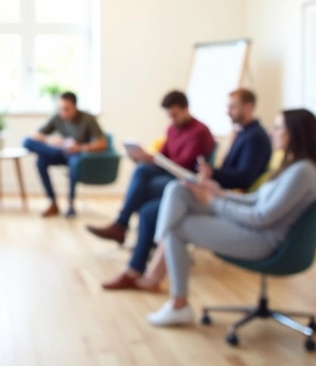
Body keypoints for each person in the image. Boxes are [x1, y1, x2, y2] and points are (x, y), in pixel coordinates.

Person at [125, 109, 316, 327]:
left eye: (278, 127)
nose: (273, 132)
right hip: (255, 230)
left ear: (295, 133)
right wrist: (219, 193)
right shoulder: (294, 167)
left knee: (178, 227)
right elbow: (256, 201)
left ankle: (178, 303)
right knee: (179, 190)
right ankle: (162, 243)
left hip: (264, 241)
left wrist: (212, 201)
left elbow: (261, 217)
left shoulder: (302, 172)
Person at [98, 89, 273, 289]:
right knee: (144, 182)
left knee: (149, 199)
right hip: (211, 188)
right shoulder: (242, 133)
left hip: (222, 195)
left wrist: (212, 174)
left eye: (232, 107)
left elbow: (245, 178)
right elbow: (164, 155)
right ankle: (137, 263)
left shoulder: (255, 138)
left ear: (248, 107)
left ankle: (137, 262)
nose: (227, 112)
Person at [86, 90, 215, 242]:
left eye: (175, 115)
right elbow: (163, 155)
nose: (172, 120)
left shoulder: (200, 131)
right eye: (169, 116)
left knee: (144, 188)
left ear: (185, 109)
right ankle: (125, 227)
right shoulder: (172, 129)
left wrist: (155, 159)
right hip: (168, 173)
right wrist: (144, 157)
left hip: (186, 181)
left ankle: (125, 228)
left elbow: (184, 164)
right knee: (141, 169)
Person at [22, 91, 107, 218]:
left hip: (76, 154)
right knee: (31, 148)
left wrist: (80, 147)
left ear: (75, 107)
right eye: (61, 108)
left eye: (67, 109)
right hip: (59, 152)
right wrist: (52, 141)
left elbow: (102, 144)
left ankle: (70, 204)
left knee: (74, 164)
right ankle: (53, 202)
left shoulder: (88, 119)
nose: (63, 112)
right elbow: (35, 135)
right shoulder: (58, 117)